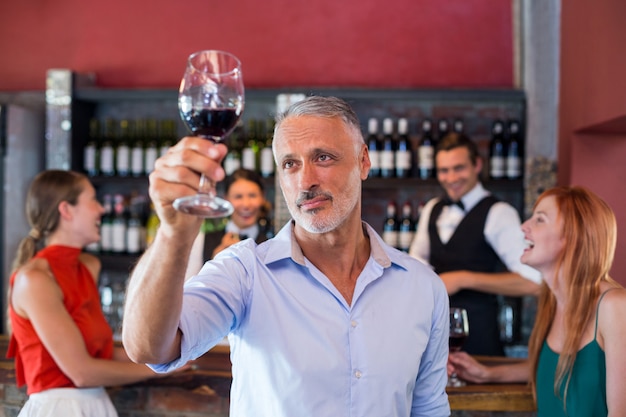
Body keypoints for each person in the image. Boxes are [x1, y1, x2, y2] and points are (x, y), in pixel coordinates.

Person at [122, 96, 450, 417]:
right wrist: (173, 233)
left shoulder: (422, 287)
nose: (305, 181)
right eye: (290, 164)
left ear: (363, 161)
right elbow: (148, 348)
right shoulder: (244, 271)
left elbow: (428, 408)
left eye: (323, 158)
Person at [6, 170, 178, 416]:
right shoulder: (33, 279)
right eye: (93, 200)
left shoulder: (87, 267)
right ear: (66, 210)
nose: (101, 210)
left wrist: (171, 356)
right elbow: (82, 372)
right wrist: (162, 369)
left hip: (95, 403)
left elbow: (105, 354)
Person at [448, 185, 626, 416]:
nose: (524, 226)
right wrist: (488, 374)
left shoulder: (614, 306)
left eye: (540, 220)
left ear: (574, 237)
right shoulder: (552, 303)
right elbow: (559, 368)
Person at [409, 132, 541, 356]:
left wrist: (463, 279)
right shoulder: (432, 207)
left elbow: (533, 282)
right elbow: (415, 264)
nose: (451, 178)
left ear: (477, 165)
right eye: (444, 170)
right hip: (432, 337)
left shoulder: (499, 213)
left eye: (458, 168)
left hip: (479, 339)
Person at [185, 168, 271, 277]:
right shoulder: (201, 242)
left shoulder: (272, 245)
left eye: (252, 196)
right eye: (238, 197)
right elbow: (187, 290)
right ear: (226, 199)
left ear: (263, 197)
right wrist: (214, 263)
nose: (246, 205)